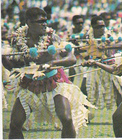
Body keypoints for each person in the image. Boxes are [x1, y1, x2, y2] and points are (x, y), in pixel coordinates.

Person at [2, 7, 96, 138]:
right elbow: (14, 64)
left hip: (54, 83)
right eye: (40, 21)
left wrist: (53, 64)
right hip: (29, 85)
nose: (44, 24)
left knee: (67, 119)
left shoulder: (51, 37)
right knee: (14, 125)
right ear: (28, 22)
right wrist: (5, 60)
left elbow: (71, 58)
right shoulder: (18, 39)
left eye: (45, 21)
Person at [80, 16, 122, 109]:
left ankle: (121, 116)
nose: (101, 29)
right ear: (92, 27)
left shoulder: (109, 35)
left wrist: (107, 47)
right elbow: (83, 49)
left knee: (117, 89)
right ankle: (84, 116)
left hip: (107, 65)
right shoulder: (87, 36)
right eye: (98, 27)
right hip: (92, 66)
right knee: (84, 89)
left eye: (102, 26)